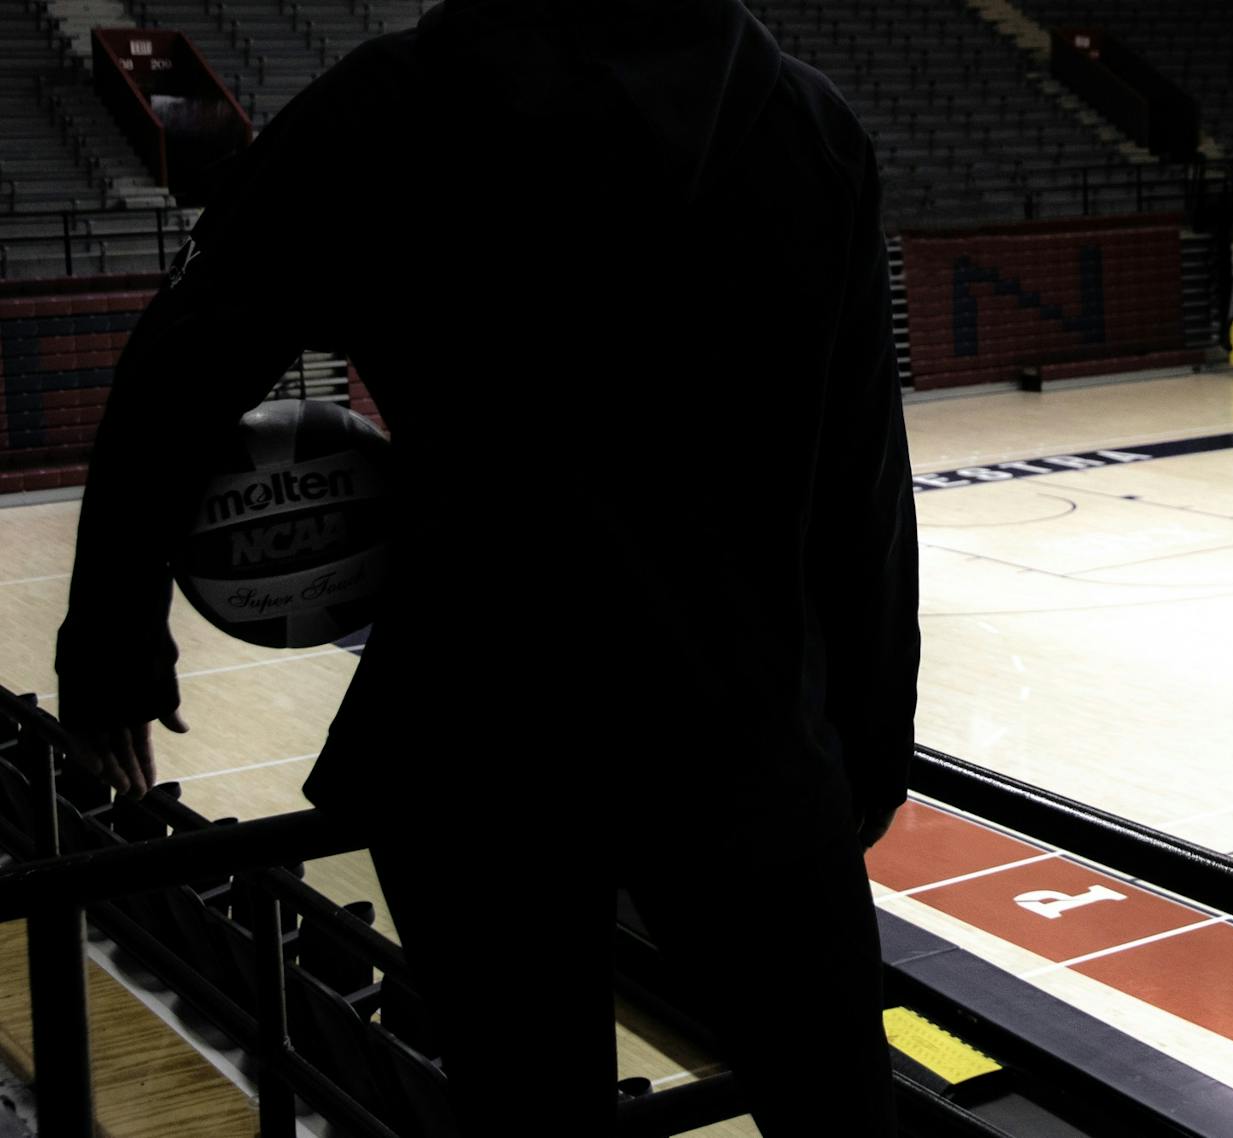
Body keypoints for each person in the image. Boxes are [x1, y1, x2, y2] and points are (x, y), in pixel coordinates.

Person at [53, 1, 920, 1133]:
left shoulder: (391, 104)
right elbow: (862, 477)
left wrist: (114, 644)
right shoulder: (815, 128)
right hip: (743, 731)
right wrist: (869, 728)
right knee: (840, 1108)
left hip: (478, 733)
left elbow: (183, 359)